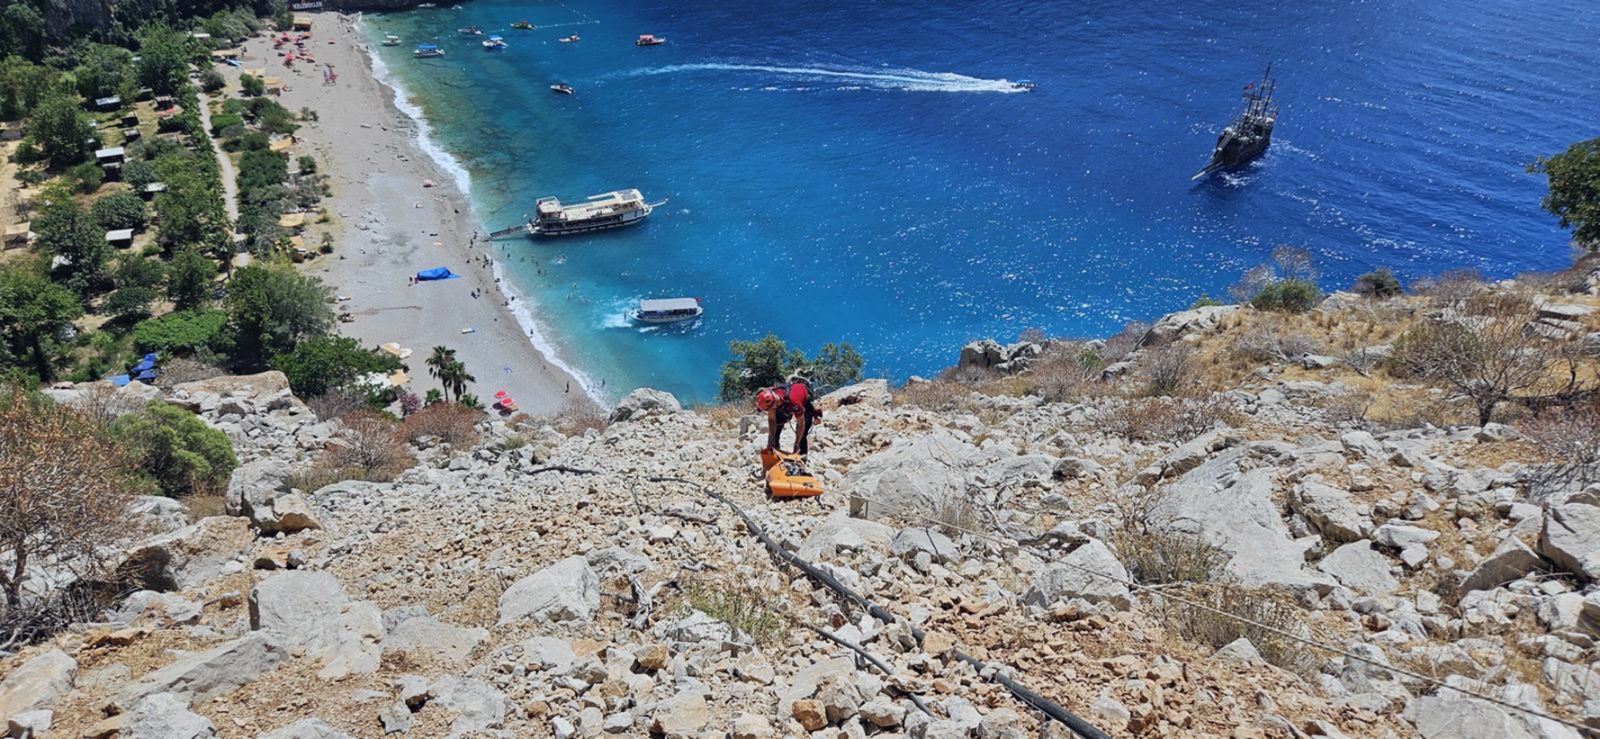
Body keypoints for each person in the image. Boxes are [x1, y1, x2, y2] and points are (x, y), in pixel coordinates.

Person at [756, 375, 820, 456]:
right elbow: (772, 420)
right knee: (776, 427)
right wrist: (772, 437)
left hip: (804, 402)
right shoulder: (773, 397)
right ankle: (774, 452)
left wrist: (797, 443)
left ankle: (801, 457)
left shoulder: (794, 403)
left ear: (774, 405)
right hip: (785, 403)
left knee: (802, 435)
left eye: (769, 409)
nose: (769, 412)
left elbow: (801, 424)